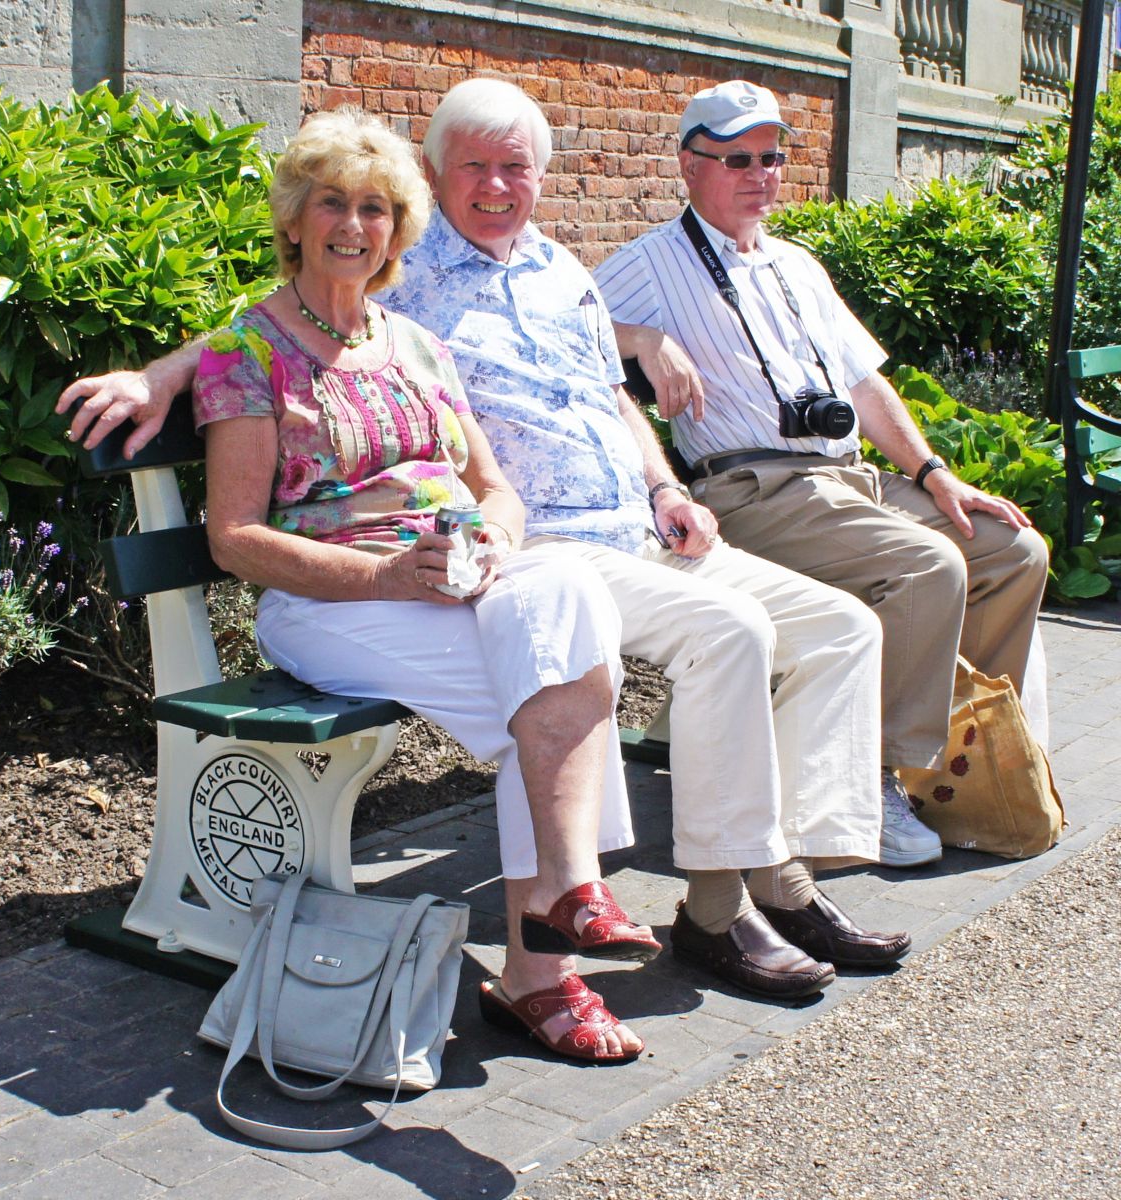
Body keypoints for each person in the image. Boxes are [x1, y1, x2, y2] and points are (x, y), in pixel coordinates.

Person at [59, 78, 911, 1007]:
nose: (498, 187)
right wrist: (159, 375)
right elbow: (255, 351)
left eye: (518, 168)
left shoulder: (483, 307)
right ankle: (626, 932)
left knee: (834, 629)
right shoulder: (388, 287)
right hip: (445, 569)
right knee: (600, 674)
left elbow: (565, 423)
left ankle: (765, 880)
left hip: (565, 544)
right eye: (476, 168)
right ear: (426, 181)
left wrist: (653, 486)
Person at [174, 106, 666, 1064]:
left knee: (564, 596)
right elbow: (234, 540)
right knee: (554, 687)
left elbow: (494, 486)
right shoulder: (251, 352)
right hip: (329, 602)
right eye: (332, 205)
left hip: (449, 584)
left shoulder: (416, 347)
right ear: (294, 220)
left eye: (374, 208)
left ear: (399, 229)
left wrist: (486, 537)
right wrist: (389, 574)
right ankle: (546, 964)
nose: (353, 226)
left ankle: (564, 901)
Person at [595, 79, 1050, 868]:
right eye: (737, 157)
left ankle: (955, 760)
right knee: (924, 567)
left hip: (847, 482)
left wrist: (935, 471)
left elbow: (865, 386)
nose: (760, 173)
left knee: (1014, 550)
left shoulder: (797, 264)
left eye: (772, 157)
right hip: (750, 489)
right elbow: (567, 328)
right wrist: (639, 336)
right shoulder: (650, 262)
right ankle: (870, 780)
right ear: (689, 164)